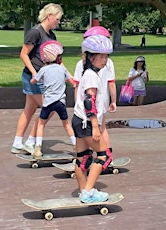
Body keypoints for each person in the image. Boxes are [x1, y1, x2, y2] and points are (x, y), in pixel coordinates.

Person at [11, 3, 64, 154]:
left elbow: (56, 58)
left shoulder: (51, 36)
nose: (58, 22)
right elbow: (23, 54)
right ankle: (30, 141)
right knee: (51, 107)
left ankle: (17, 143)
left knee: (29, 110)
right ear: (50, 16)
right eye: (58, 19)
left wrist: (66, 73)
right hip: (32, 78)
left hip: (42, 79)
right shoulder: (35, 32)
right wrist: (35, 73)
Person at [72, 35, 113, 203]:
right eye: (101, 56)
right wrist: (96, 127)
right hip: (87, 123)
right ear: (90, 57)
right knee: (104, 156)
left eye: (106, 56)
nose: (105, 60)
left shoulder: (88, 73)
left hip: (78, 120)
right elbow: (90, 102)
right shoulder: (91, 76)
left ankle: (83, 191)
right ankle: (88, 191)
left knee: (83, 157)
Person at [73, 25, 117, 158]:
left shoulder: (81, 64)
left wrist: (77, 104)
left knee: (88, 132)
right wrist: (113, 101)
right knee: (102, 129)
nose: (104, 59)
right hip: (101, 101)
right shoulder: (109, 62)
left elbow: (77, 86)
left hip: (90, 104)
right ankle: (106, 156)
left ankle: (99, 156)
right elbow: (112, 84)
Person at [29, 40, 76, 158]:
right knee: (66, 124)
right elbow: (71, 81)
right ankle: (76, 146)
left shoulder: (44, 70)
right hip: (60, 102)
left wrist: (34, 78)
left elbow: (34, 81)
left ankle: (38, 148)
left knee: (41, 124)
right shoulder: (62, 69)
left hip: (48, 102)